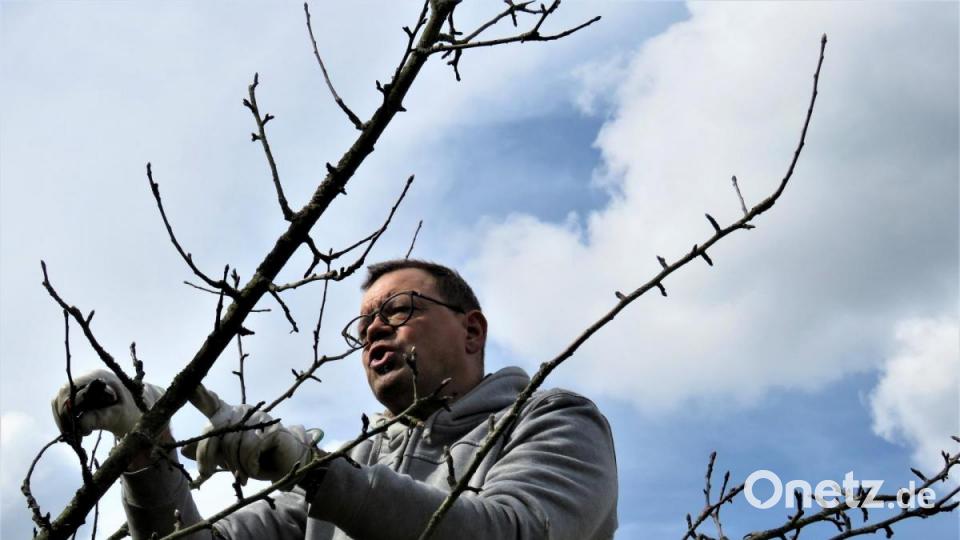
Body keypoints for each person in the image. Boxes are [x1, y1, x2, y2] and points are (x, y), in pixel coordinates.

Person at [51, 260, 619, 539]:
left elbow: (513, 533)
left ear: (472, 331)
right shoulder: (354, 469)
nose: (374, 330)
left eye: (399, 310)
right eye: (363, 324)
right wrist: (147, 451)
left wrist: (307, 467)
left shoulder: (554, 422)